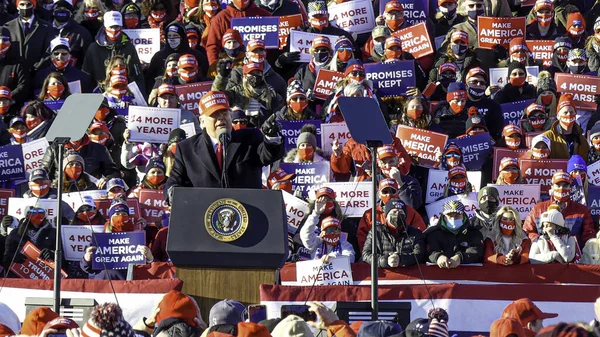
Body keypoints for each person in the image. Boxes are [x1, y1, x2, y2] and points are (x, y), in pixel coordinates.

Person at [165, 91, 284, 201]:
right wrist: (172, 193)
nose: (221, 117)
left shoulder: (250, 138)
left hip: (247, 213)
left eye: (224, 112)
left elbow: (269, 154)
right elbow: (174, 182)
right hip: (203, 216)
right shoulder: (186, 149)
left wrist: (272, 137)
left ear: (230, 115)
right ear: (202, 121)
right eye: (214, 114)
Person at [81, 199, 153, 279]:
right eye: (117, 214)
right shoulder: (99, 238)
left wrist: (149, 258)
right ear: (110, 218)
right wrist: (87, 258)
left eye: (124, 214)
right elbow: (86, 268)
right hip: (104, 285)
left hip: (130, 286)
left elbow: (147, 267)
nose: (121, 216)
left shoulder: (136, 238)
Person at [523, 171, 596, 248]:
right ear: (552, 187)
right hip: (544, 255)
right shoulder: (537, 209)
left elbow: (589, 235)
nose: (561, 188)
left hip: (572, 256)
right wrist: (540, 242)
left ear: (570, 188)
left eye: (565, 186)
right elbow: (527, 232)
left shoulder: (582, 210)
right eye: (558, 185)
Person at [82, 11, 145, 96]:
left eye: (117, 27)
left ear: (121, 27)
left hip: (124, 94)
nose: (114, 30)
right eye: (111, 27)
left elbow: (138, 76)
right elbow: (86, 75)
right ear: (104, 27)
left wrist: (139, 96)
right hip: (100, 95)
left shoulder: (129, 47)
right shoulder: (93, 48)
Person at [357, 178, 426, 253]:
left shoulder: (410, 211)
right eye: (385, 191)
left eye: (392, 191)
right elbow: (362, 237)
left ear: (398, 192)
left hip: (406, 255)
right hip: (378, 257)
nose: (388, 194)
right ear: (379, 194)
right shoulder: (370, 214)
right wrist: (367, 254)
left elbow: (420, 233)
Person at [361, 198, 425, 268]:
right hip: (383, 275)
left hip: (409, 277)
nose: (397, 215)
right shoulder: (375, 232)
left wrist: (400, 259)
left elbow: (420, 255)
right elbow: (366, 254)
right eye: (394, 212)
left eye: (401, 213)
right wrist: (385, 260)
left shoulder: (415, 233)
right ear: (386, 216)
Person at [204, 0, 270, 65]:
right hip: (230, 68)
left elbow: (274, 44)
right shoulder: (221, 18)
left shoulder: (265, 15)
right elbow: (213, 46)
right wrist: (215, 68)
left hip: (260, 68)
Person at [425, 200, 484, 268]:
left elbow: (476, 253)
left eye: (457, 215)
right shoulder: (433, 233)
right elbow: (428, 252)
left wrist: (460, 257)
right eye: (449, 215)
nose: (453, 219)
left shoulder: (474, 233)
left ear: (463, 215)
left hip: (466, 275)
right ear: (444, 216)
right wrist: (438, 257)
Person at [4, 0, 56, 71]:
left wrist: (36, 67)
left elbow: (49, 51)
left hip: (37, 73)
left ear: (34, 6)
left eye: (28, 4)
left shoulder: (46, 27)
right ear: (17, 7)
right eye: (22, 4)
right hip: (14, 73)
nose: (25, 7)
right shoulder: (8, 27)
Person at [2, 206, 56, 273]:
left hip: (43, 276)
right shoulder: (16, 233)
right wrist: (13, 258)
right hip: (19, 275)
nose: (37, 215)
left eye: (41, 212)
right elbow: (5, 257)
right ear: (27, 215)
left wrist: (52, 255)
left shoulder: (53, 233)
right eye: (33, 212)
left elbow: (62, 260)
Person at [542, 94, 589, 160]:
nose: (569, 115)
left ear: (575, 114)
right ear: (558, 116)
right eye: (565, 112)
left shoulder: (582, 139)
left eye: (571, 112)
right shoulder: (547, 137)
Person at [51, 0, 93, 69]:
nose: (61, 11)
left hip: (73, 75)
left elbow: (88, 60)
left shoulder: (82, 33)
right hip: (48, 75)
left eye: (65, 9)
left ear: (71, 12)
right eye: (58, 8)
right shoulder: (45, 29)